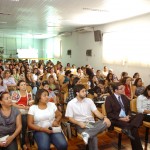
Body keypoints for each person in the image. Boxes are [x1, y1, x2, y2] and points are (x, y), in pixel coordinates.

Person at [65, 84, 111, 150]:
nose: (85, 93)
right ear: (77, 93)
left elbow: (96, 112)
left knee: (106, 122)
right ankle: (88, 133)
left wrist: (105, 118)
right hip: (81, 124)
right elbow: (70, 118)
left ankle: (87, 134)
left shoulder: (89, 100)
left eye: (85, 91)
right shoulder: (71, 103)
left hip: (91, 124)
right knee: (93, 136)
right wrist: (79, 123)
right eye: (83, 91)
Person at [105, 82, 143, 150]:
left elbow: (128, 109)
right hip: (116, 119)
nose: (123, 90)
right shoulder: (109, 98)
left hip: (126, 117)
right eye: (121, 89)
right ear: (116, 90)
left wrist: (128, 116)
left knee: (140, 115)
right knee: (134, 129)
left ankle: (127, 128)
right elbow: (109, 114)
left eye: (123, 88)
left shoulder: (124, 97)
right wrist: (121, 118)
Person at [12, 80, 34, 150]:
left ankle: (32, 135)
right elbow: (13, 104)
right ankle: (23, 142)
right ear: (18, 87)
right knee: (24, 121)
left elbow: (30, 104)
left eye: (24, 84)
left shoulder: (29, 94)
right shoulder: (15, 93)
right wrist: (23, 107)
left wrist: (31, 104)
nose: (24, 86)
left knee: (34, 119)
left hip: (27, 111)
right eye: (21, 85)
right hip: (18, 112)